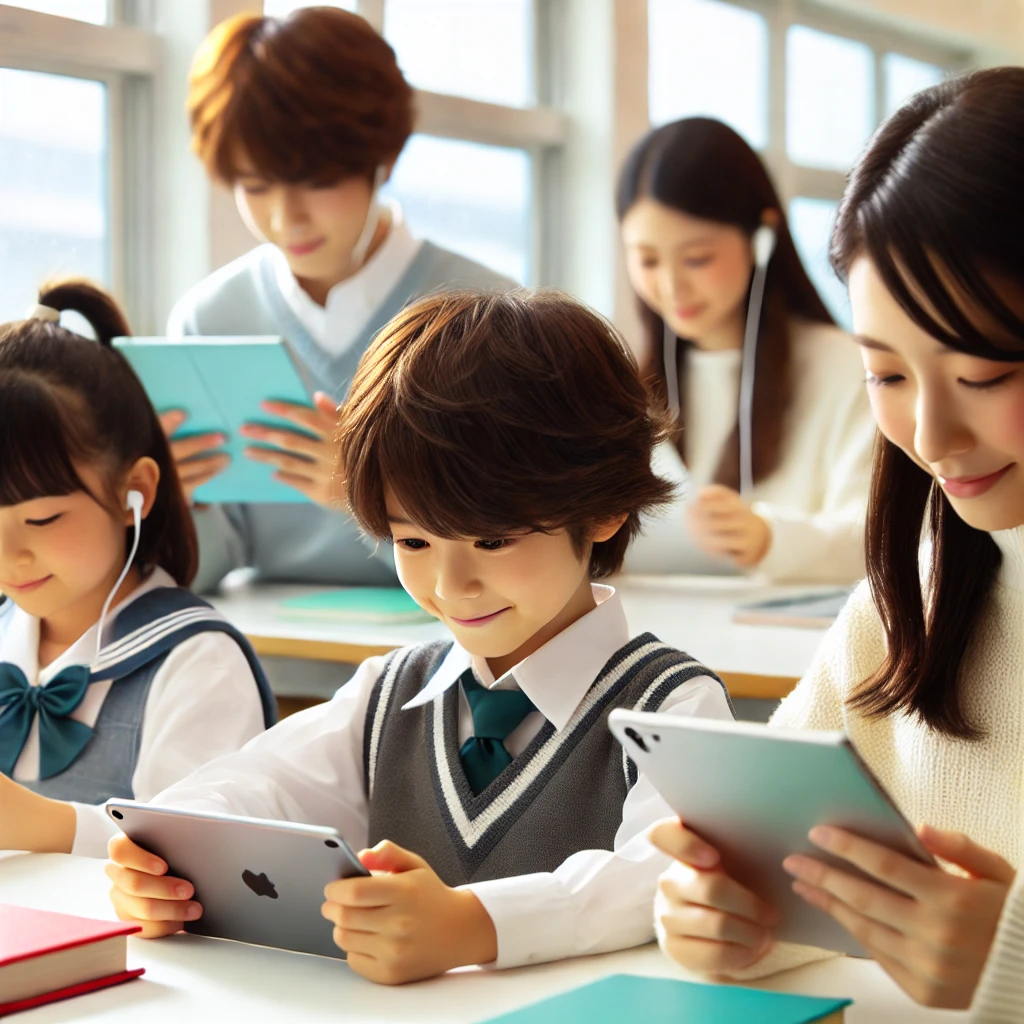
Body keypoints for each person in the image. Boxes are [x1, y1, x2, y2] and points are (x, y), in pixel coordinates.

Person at [104, 289, 734, 984]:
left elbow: (663, 876)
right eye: (412, 539)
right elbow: (252, 787)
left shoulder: (671, 704)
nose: (450, 582)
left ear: (607, 509)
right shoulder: (388, 693)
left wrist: (477, 926)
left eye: (493, 540)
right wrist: (167, 857)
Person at [650, 68, 1024, 1015]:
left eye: (981, 374)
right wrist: (727, 918)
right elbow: (774, 869)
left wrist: (1012, 963)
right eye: (887, 375)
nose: (931, 437)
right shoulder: (913, 597)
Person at [165, 8, 515, 592]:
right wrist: (171, 511)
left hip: (455, 658)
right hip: (258, 656)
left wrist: (364, 496)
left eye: (318, 182)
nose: (285, 217)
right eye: (255, 186)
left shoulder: (487, 315)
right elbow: (205, 569)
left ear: (385, 159)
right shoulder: (209, 319)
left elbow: (519, 552)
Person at [0, 281, 276, 859]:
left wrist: (45, 825)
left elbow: (206, 862)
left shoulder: (197, 662)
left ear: (136, 492)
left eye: (43, 518)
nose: (9, 553)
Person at [617, 118, 874, 582]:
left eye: (697, 258)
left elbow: (888, 540)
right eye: (648, 260)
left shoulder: (848, 369)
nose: (672, 285)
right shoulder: (630, 391)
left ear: (761, 239)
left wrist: (770, 539)